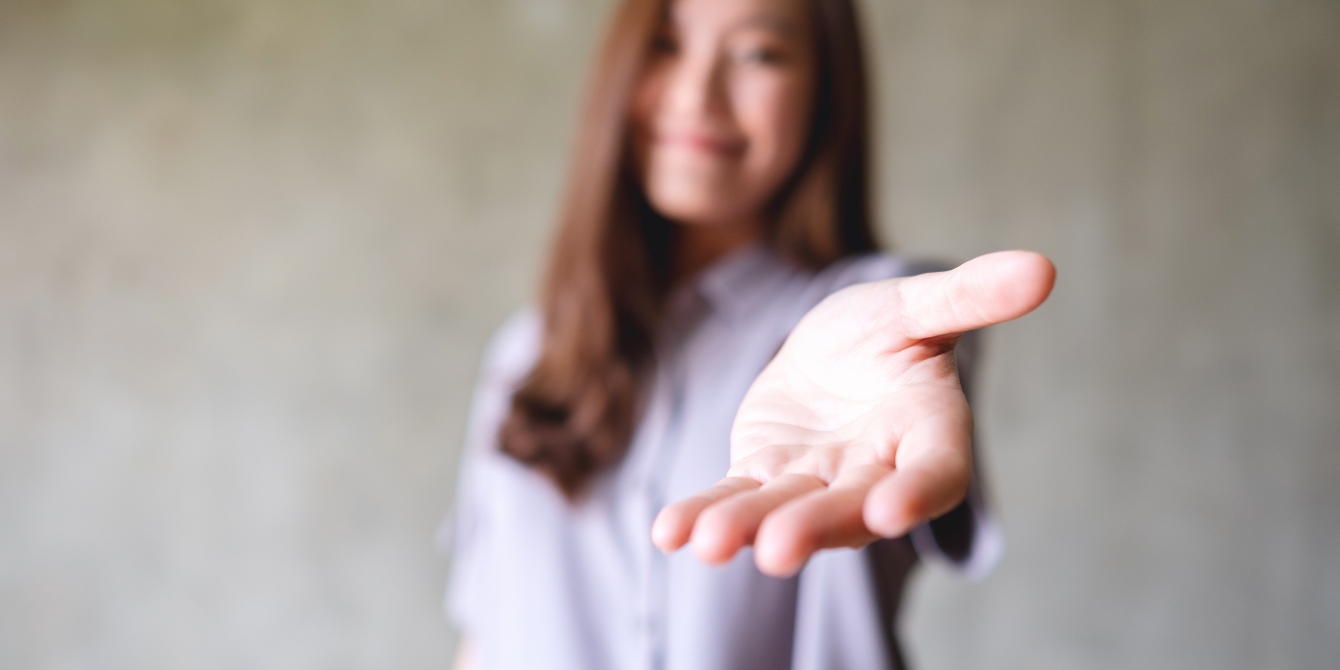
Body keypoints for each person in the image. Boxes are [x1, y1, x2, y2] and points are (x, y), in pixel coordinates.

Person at [442, 0, 1055, 667]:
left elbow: (904, 317)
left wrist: (916, 348)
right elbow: (483, 637)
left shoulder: (862, 332)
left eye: (758, 53)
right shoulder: (526, 353)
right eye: (666, 44)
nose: (695, 95)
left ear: (826, 91)